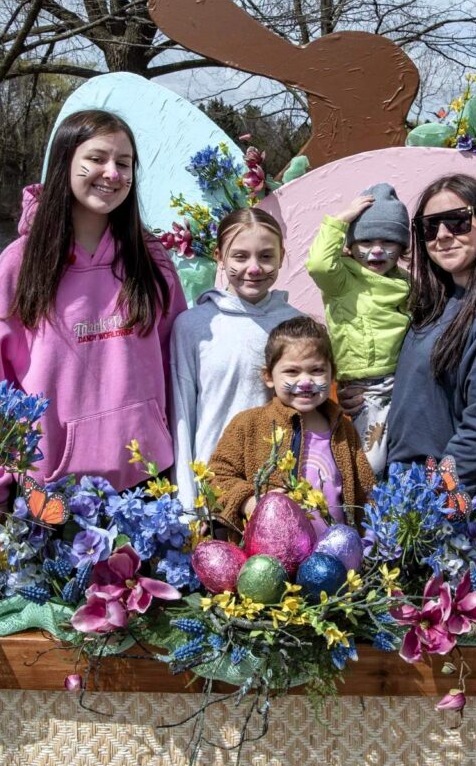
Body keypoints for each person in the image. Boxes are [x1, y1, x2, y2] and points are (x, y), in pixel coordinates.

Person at [0, 109, 187, 506]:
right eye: (97, 159)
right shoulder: (19, 265)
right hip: (50, 490)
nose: (112, 173)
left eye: (124, 163)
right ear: (65, 162)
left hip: (148, 485)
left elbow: (178, 364)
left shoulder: (152, 259)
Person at [339, 173, 476, 498]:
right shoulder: (437, 300)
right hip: (397, 481)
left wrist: (435, 500)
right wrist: (364, 395)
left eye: (457, 221)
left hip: (438, 494)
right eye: (430, 227)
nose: (443, 235)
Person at [170, 207, 301, 514]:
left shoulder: (299, 327)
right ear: (219, 257)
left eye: (266, 256)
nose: (253, 268)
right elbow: (182, 415)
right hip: (213, 494)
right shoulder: (194, 327)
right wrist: (188, 505)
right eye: (240, 257)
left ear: (282, 256)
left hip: (282, 491)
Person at [209, 316, 374, 532]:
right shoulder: (248, 426)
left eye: (316, 371)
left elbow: (366, 490)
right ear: (268, 376)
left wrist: (372, 538)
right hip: (269, 558)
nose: (305, 382)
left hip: (337, 558)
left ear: (332, 373)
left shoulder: (343, 430)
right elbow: (216, 478)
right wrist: (249, 501)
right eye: (292, 372)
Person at [306, 183, 410, 475]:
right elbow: (318, 264)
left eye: (388, 243)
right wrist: (340, 221)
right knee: (372, 463)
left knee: (403, 458)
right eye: (366, 242)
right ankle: (363, 514)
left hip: (402, 384)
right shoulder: (342, 280)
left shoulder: (405, 284)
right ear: (350, 246)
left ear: (402, 247)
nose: (377, 251)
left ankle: (400, 514)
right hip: (368, 392)